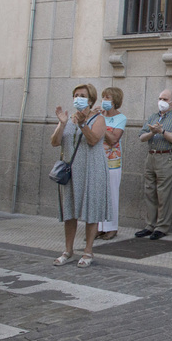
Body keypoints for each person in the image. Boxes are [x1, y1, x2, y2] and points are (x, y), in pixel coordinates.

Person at [49, 84, 110, 268]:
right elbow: (54, 142)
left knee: (91, 211)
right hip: (71, 171)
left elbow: (93, 140)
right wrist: (61, 123)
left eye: (82, 95)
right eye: (76, 95)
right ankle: (68, 250)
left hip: (92, 169)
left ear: (91, 100)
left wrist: (83, 124)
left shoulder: (99, 118)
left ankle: (88, 250)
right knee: (70, 211)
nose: (78, 98)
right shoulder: (68, 119)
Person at [136, 89, 172, 241]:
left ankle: (162, 226)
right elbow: (142, 137)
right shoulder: (153, 117)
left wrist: (162, 131)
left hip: (168, 157)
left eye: (165, 98)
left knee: (165, 193)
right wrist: (152, 132)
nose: (161, 101)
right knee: (149, 191)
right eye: (160, 98)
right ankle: (150, 225)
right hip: (152, 156)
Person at [96, 87, 126, 241]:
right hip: (97, 160)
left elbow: (113, 139)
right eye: (103, 98)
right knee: (97, 195)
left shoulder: (120, 118)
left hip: (112, 162)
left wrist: (100, 124)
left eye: (108, 98)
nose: (104, 101)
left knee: (112, 194)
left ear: (115, 101)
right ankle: (98, 227)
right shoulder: (98, 116)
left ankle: (112, 227)